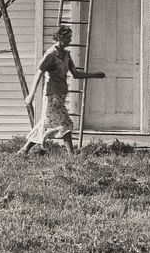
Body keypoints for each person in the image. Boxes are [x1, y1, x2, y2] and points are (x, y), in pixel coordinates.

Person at [18, 25, 105, 156]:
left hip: (61, 93)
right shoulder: (50, 54)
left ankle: (24, 150)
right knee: (65, 122)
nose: (70, 40)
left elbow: (75, 74)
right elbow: (39, 73)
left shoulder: (66, 54)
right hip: (51, 95)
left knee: (45, 124)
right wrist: (31, 95)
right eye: (68, 38)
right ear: (60, 37)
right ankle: (71, 154)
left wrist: (94, 75)